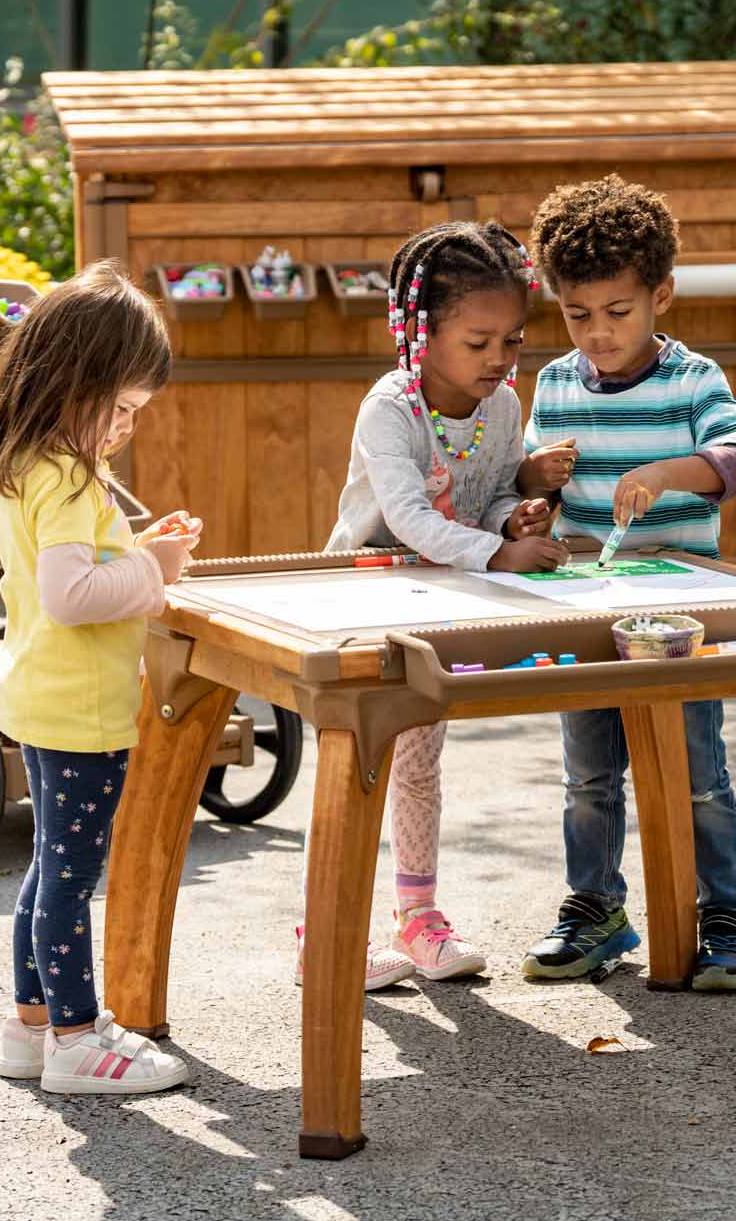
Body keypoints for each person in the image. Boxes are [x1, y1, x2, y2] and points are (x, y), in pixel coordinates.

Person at [518, 174, 736, 991]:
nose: (598, 333)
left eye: (618, 312)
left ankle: (722, 917)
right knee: (589, 776)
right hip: (588, 614)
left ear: (661, 295)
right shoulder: (557, 384)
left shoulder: (692, 381)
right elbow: (533, 488)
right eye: (577, 315)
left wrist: (667, 471)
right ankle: (595, 910)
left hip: (679, 622)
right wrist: (532, 493)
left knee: (698, 776)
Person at [0, 260, 204, 1092]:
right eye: (124, 407)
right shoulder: (68, 477)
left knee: (47, 872)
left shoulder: (34, 463)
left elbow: (66, 573)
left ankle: (32, 1029)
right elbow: (73, 597)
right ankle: (75, 1041)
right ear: (76, 382)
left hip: (43, 694)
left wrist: (140, 549)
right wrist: (155, 569)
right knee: (69, 881)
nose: (129, 427)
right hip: (80, 709)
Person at [316, 220, 567, 988]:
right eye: (479, 341)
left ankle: (418, 918)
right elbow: (408, 516)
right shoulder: (390, 409)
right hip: (364, 603)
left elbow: (488, 495)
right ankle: (324, 930)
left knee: (420, 763)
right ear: (420, 333)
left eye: (513, 341)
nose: (499, 358)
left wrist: (514, 517)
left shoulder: (502, 406)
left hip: (440, 602)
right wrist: (499, 551)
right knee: (353, 763)